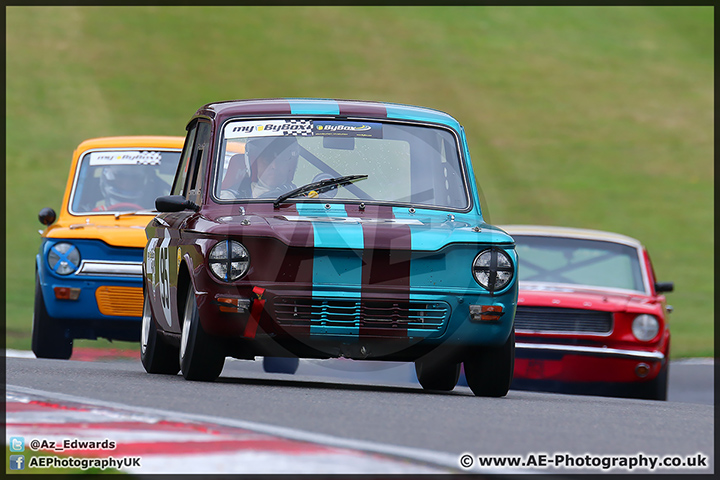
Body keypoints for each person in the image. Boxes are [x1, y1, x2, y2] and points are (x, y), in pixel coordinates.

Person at [227, 136, 300, 199]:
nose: (274, 166)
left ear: (290, 166)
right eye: (267, 160)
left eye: (281, 160)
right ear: (254, 165)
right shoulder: (230, 200)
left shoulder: (303, 197)